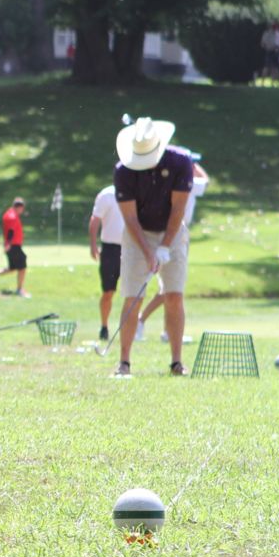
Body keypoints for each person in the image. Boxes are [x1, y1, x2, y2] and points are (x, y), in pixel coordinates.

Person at [112, 116, 194, 377]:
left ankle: (176, 362)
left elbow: (178, 209)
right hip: (139, 234)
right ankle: (124, 362)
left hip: (173, 231)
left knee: (174, 295)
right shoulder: (124, 171)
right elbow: (130, 218)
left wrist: (165, 247)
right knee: (133, 296)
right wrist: (148, 252)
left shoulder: (181, 163)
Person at [137, 157, 209, 342]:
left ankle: (167, 331)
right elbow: (206, 180)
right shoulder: (187, 181)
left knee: (171, 288)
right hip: (173, 235)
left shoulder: (183, 180)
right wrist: (193, 164)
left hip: (179, 234)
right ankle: (142, 321)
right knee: (169, 288)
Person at [87, 183, 124, 342]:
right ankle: (104, 326)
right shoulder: (107, 194)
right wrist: (93, 245)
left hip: (132, 248)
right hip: (110, 249)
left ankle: (129, 328)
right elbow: (95, 219)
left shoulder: (138, 190)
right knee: (108, 291)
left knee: (133, 292)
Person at [0, 197, 29, 297]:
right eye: (22, 208)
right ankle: (20, 290)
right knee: (22, 267)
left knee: (13, 267)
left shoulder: (9, 213)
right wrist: (8, 243)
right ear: (19, 207)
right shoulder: (12, 216)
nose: (22, 211)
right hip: (13, 245)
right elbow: (10, 231)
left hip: (11, 245)